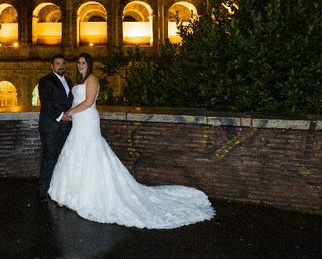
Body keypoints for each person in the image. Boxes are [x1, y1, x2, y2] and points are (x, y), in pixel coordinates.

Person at [48, 52, 214, 229]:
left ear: (89, 65)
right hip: (78, 122)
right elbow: (78, 101)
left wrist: (71, 112)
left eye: (83, 63)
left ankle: (91, 195)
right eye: (78, 63)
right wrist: (70, 114)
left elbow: (89, 102)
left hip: (88, 121)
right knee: (77, 152)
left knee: (91, 152)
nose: (80, 65)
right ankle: (73, 193)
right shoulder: (80, 82)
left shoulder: (93, 79)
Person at [37, 53, 73, 202]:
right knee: (49, 158)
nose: (61, 66)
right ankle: (43, 193)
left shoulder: (70, 81)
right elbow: (46, 103)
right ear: (52, 66)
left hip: (66, 127)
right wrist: (61, 115)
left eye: (63, 63)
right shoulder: (45, 81)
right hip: (51, 127)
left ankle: (56, 189)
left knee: (61, 158)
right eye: (58, 63)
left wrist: (71, 114)